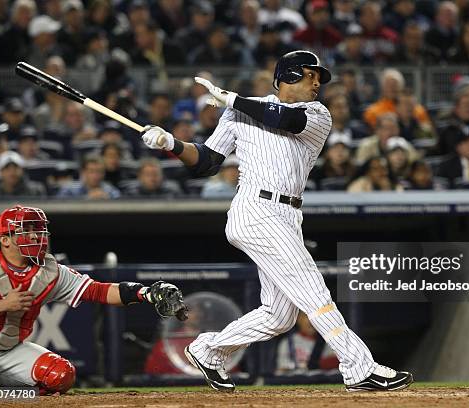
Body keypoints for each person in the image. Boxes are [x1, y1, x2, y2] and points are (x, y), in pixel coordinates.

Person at [140, 50, 413, 392]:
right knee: (313, 289)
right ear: (290, 75)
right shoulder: (240, 110)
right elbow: (207, 161)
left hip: (288, 215)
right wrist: (171, 144)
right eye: (311, 75)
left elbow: (284, 120)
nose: (317, 83)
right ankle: (358, 366)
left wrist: (234, 99)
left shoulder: (317, 114)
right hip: (255, 209)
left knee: (279, 316)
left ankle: (209, 349)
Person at [0, 205, 187, 394]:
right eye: (27, 230)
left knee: (60, 375)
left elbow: (97, 291)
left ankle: (0, 396)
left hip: (8, 351)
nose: (35, 236)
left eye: (38, 229)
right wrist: (3, 305)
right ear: (4, 240)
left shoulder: (50, 272)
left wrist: (146, 293)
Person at [57, 154, 121, 199]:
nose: (95, 175)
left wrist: (108, 202)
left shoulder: (111, 191)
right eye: (91, 171)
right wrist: (87, 199)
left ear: (104, 173)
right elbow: (59, 208)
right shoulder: (69, 189)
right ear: (83, 172)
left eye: (99, 171)